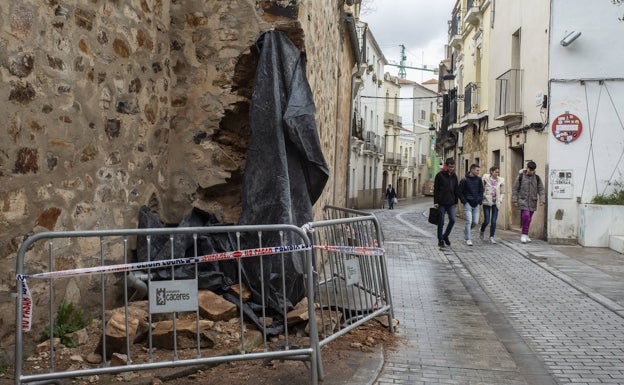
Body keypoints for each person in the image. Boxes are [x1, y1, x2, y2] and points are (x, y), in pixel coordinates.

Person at [511, 161, 546, 243]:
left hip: (532, 201)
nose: (531, 172)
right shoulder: (521, 176)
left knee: (529, 219)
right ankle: (523, 234)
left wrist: (542, 200)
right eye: (530, 170)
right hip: (523, 200)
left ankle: (526, 234)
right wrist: (514, 200)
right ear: (527, 168)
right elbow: (515, 189)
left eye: (532, 170)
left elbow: (541, 189)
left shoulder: (537, 178)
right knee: (526, 216)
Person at [433, 158, 459, 247]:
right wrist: (435, 201)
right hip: (441, 202)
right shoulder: (439, 175)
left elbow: (456, 189)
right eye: (450, 167)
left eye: (453, 167)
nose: (452, 168)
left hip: (451, 202)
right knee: (441, 222)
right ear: (446, 166)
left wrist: (456, 201)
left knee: (452, 220)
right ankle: (440, 239)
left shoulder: (454, 176)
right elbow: (436, 189)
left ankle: (445, 236)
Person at [458, 163, 483, 246]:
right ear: (472, 170)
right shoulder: (464, 180)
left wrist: (479, 200)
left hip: (476, 204)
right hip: (468, 203)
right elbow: (460, 192)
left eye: (479, 170)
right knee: (469, 221)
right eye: (477, 170)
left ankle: (466, 231)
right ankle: (468, 239)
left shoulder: (479, 180)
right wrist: (465, 202)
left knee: (475, 222)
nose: (478, 172)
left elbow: (481, 191)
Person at [480, 166, 504, 244]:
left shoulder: (500, 180)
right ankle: (482, 230)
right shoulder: (485, 179)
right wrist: (484, 196)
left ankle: (491, 237)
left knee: (493, 221)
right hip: (487, 202)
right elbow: (481, 189)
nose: (497, 173)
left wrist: (500, 199)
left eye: (498, 172)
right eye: (495, 172)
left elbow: (502, 192)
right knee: (486, 220)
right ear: (491, 172)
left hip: (495, 203)